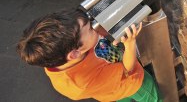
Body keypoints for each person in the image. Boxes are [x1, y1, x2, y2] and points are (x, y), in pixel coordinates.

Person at [16, 9, 161, 101]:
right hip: (133, 84)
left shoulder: (58, 53)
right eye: (90, 30)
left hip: (110, 85)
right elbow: (127, 68)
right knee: (152, 97)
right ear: (75, 53)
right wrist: (130, 43)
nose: (95, 29)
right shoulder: (81, 82)